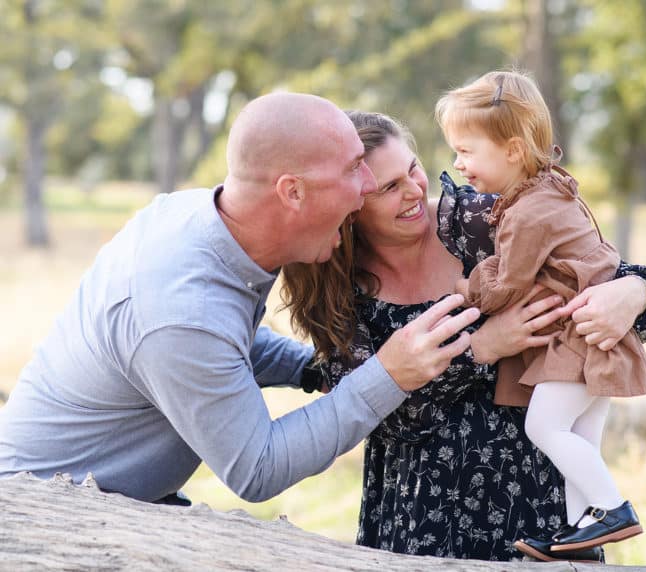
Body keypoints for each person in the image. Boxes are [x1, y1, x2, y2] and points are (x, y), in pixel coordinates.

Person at [0, 93, 482, 504]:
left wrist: (313, 370)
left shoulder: (205, 223)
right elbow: (257, 468)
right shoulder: (177, 310)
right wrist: (388, 374)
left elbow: (223, 345)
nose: (368, 187)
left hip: (109, 505)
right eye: (354, 169)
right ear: (291, 192)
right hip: (42, 514)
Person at [280, 109, 646, 561]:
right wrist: (482, 347)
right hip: (416, 518)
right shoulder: (332, 286)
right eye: (389, 188)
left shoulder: (481, 222)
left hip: (533, 507)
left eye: (413, 170)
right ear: (349, 204)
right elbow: (377, 417)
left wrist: (635, 291)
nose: (414, 190)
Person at [435, 69, 646, 559]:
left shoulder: (529, 211)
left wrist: (467, 290)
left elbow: (509, 283)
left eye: (467, 151)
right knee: (582, 437)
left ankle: (611, 507)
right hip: (591, 339)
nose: (459, 164)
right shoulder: (550, 191)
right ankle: (582, 531)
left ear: (512, 150)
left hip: (575, 342)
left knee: (545, 428)